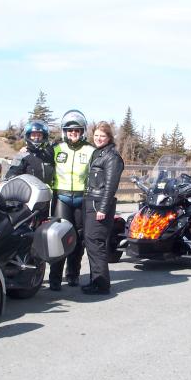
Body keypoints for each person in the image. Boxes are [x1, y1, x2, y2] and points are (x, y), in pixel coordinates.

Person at [49, 109, 94, 291]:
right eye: (69, 130)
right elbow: (38, 159)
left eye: (77, 131)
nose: (73, 134)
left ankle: (73, 274)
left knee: (78, 238)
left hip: (82, 198)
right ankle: (54, 278)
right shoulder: (56, 149)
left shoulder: (91, 150)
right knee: (58, 237)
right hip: (62, 197)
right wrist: (25, 149)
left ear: (82, 131)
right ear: (64, 131)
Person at [82, 121, 124, 295]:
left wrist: (103, 209)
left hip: (99, 204)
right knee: (91, 243)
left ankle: (101, 284)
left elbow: (110, 186)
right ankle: (95, 280)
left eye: (103, 136)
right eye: (97, 135)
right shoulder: (98, 153)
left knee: (96, 243)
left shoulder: (112, 157)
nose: (99, 138)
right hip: (91, 201)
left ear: (109, 137)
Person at [5, 119, 54, 185]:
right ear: (28, 136)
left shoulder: (49, 153)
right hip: (30, 193)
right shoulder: (22, 155)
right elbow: (12, 173)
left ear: (44, 136)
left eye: (39, 135)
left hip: (49, 193)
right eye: (33, 135)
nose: (36, 138)